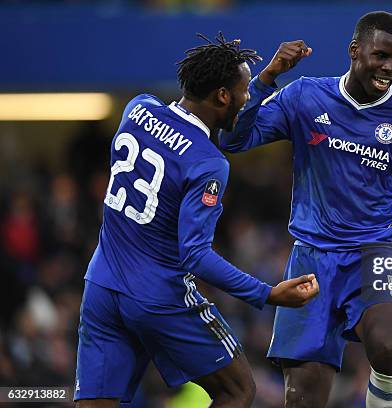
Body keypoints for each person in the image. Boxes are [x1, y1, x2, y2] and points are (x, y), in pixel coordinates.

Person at [219, 12, 392, 408]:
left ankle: (391, 389)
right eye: (381, 55)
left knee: (389, 349)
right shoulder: (305, 97)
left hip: (375, 252)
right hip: (311, 258)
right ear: (355, 51)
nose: (390, 67)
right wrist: (266, 78)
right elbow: (235, 139)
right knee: (303, 400)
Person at [74, 33, 319, 408]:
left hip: (101, 286)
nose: (246, 98)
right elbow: (195, 255)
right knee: (237, 390)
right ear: (222, 96)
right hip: (158, 295)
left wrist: (267, 75)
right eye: (242, 91)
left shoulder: (137, 109)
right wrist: (266, 293)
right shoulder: (208, 162)